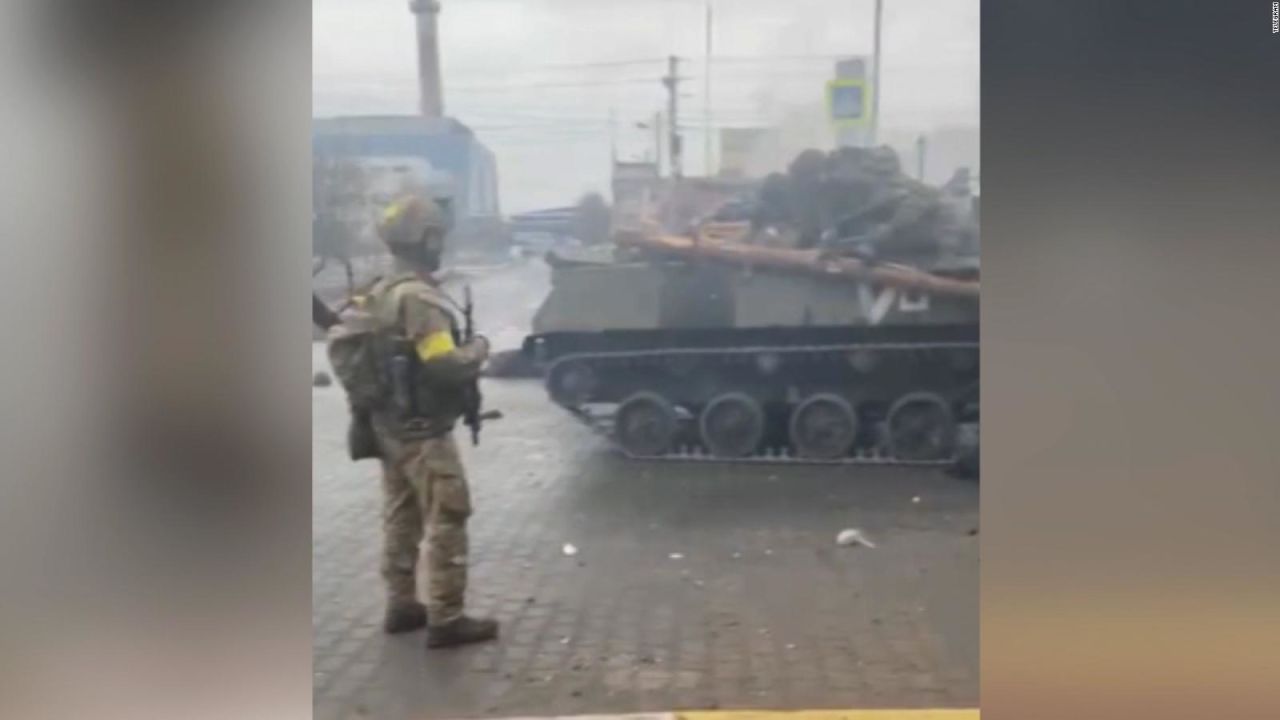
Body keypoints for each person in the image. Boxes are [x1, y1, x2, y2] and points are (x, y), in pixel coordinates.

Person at [362, 194, 498, 648]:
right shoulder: (419, 299)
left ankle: (401, 605)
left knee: (401, 516)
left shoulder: (380, 290)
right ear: (426, 239)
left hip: (389, 427)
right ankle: (447, 616)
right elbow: (444, 364)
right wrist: (478, 350)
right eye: (436, 236)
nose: (440, 244)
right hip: (424, 432)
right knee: (448, 515)